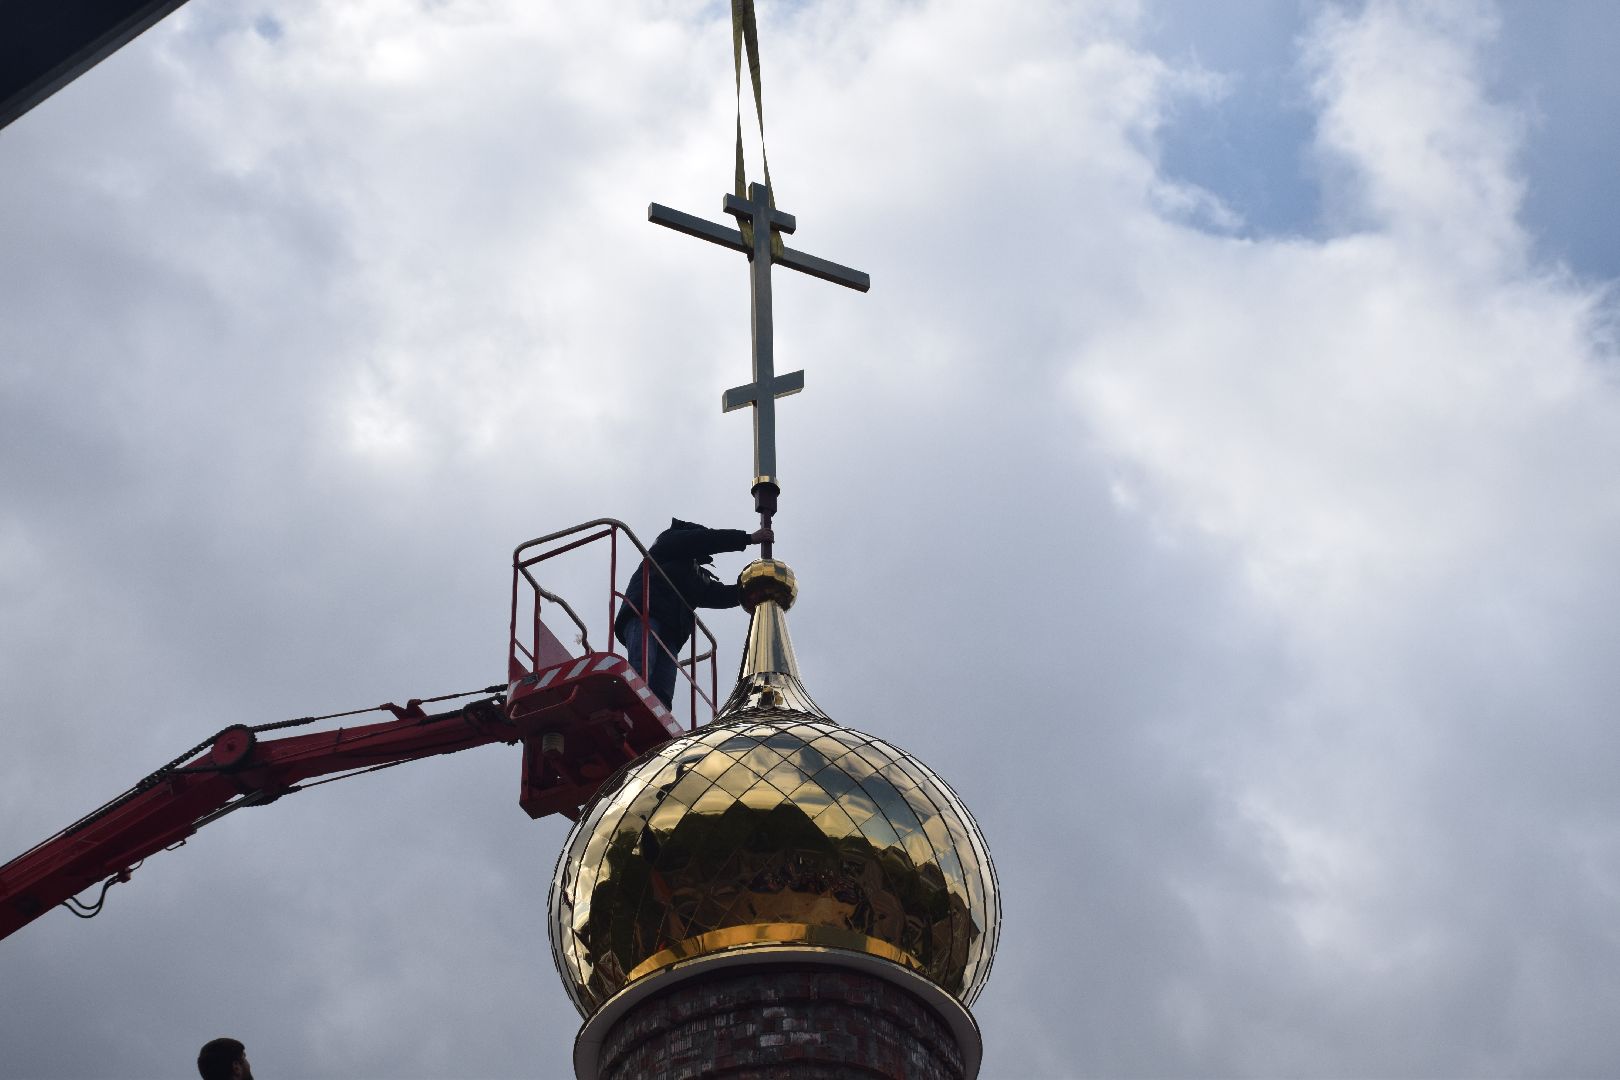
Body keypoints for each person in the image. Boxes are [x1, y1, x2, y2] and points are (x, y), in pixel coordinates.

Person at [615, 518, 770, 706]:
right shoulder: (669, 541)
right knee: (641, 672)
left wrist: (752, 589)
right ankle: (629, 707)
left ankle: (655, 726)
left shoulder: (694, 574)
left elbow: (716, 594)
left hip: (671, 631)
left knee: (662, 694)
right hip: (647, 613)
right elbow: (703, 539)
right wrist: (747, 538)